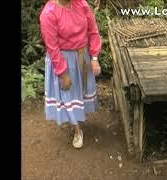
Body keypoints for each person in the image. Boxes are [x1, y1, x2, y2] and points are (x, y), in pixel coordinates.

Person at [39, 0, 102, 148]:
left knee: (80, 92)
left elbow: (93, 31)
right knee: (68, 93)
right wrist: (62, 73)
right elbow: (52, 48)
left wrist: (94, 58)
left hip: (82, 56)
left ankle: (77, 120)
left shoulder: (81, 4)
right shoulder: (49, 13)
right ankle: (77, 130)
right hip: (64, 60)